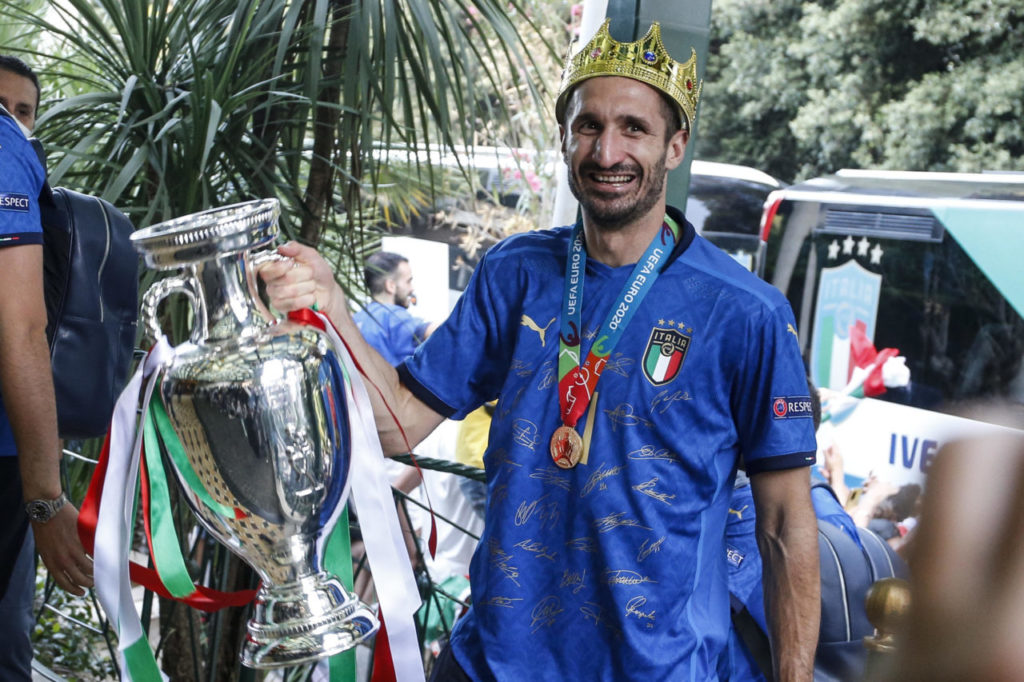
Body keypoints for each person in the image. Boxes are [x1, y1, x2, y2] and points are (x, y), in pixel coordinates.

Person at [261, 19, 819, 681]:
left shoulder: (745, 313)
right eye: (588, 126)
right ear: (563, 138)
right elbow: (398, 423)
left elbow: (785, 524)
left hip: (654, 669)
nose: (607, 151)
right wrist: (333, 311)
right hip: (491, 662)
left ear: (676, 146)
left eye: (633, 128)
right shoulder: (515, 271)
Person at [0, 54, 93, 681]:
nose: (13, 119)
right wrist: (45, 501)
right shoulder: (6, 151)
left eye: (23, 111)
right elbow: (21, 324)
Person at [353, 250, 438, 366]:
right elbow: (434, 332)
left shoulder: (356, 319)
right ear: (390, 286)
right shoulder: (393, 315)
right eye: (408, 282)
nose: (412, 289)